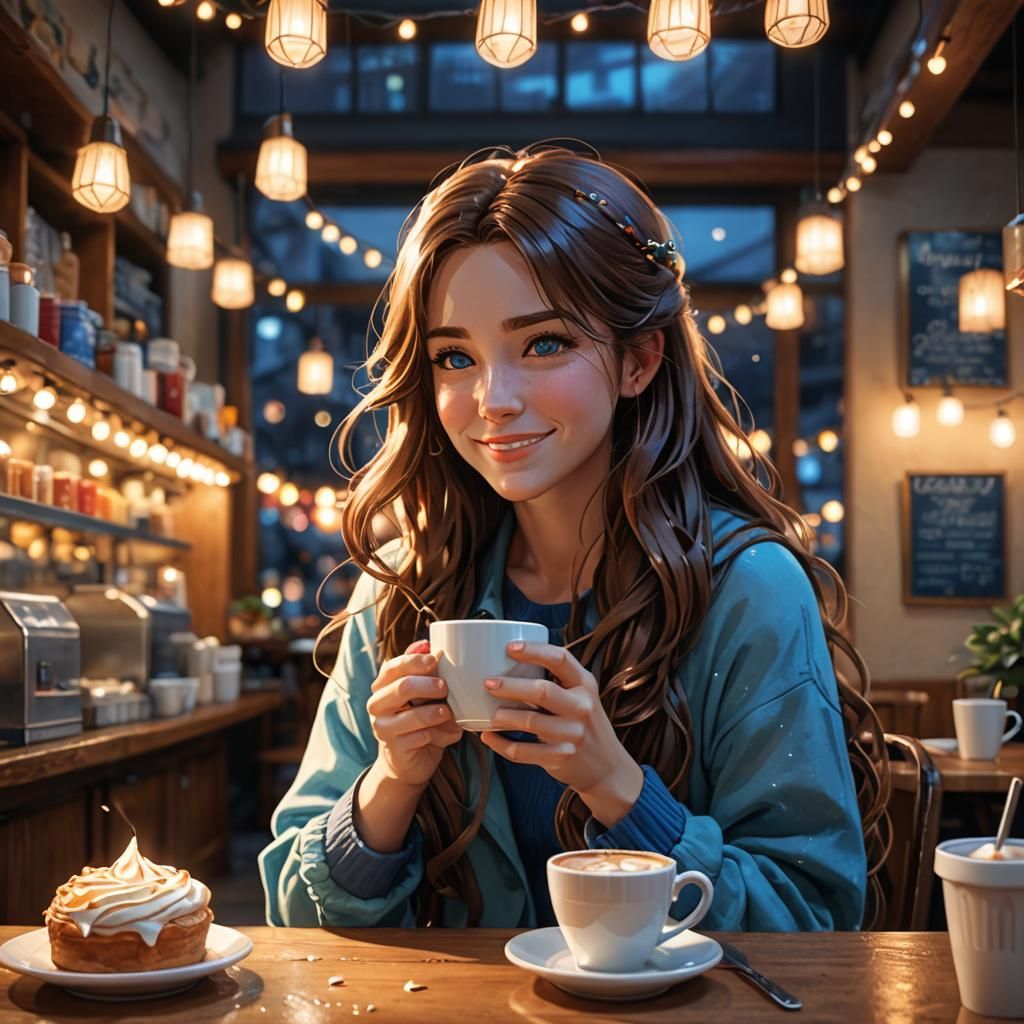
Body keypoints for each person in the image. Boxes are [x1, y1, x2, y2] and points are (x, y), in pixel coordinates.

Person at [259, 142, 890, 932]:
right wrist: (392, 779)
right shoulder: (402, 590)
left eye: (544, 343)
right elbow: (291, 906)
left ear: (638, 360)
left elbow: (814, 916)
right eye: (454, 357)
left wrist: (616, 785)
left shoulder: (749, 589)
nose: (493, 399)